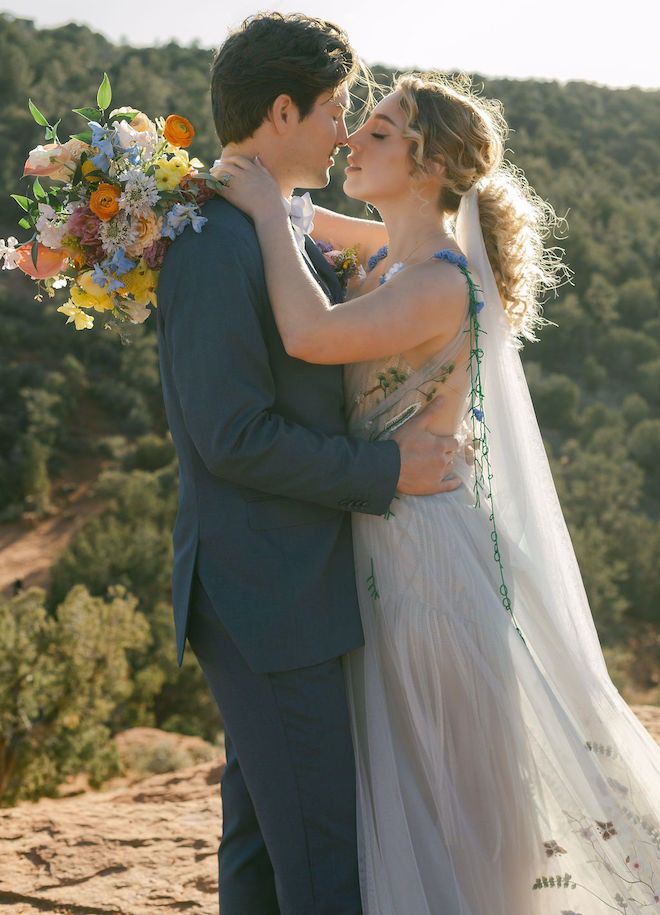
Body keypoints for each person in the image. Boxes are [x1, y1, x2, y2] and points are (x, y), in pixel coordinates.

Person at [215, 72, 660, 913]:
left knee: (441, 765)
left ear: (429, 166)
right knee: (400, 759)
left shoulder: (437, 283)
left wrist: (270, 214)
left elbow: (310, 333)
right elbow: (307, 223)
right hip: (380, 534)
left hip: (423, 555)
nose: (351, 141)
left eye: (377, 133)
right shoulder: (390, 252)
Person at [156, 15, 460, 915]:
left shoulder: (271, 226)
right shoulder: (214, 245)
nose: (344, 129)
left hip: (289, 585)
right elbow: (234, 436)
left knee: (262, 839)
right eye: (335, 110)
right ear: (283, 110)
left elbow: (418, 255)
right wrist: (383, 469)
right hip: (265, 591)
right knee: (326, 860)